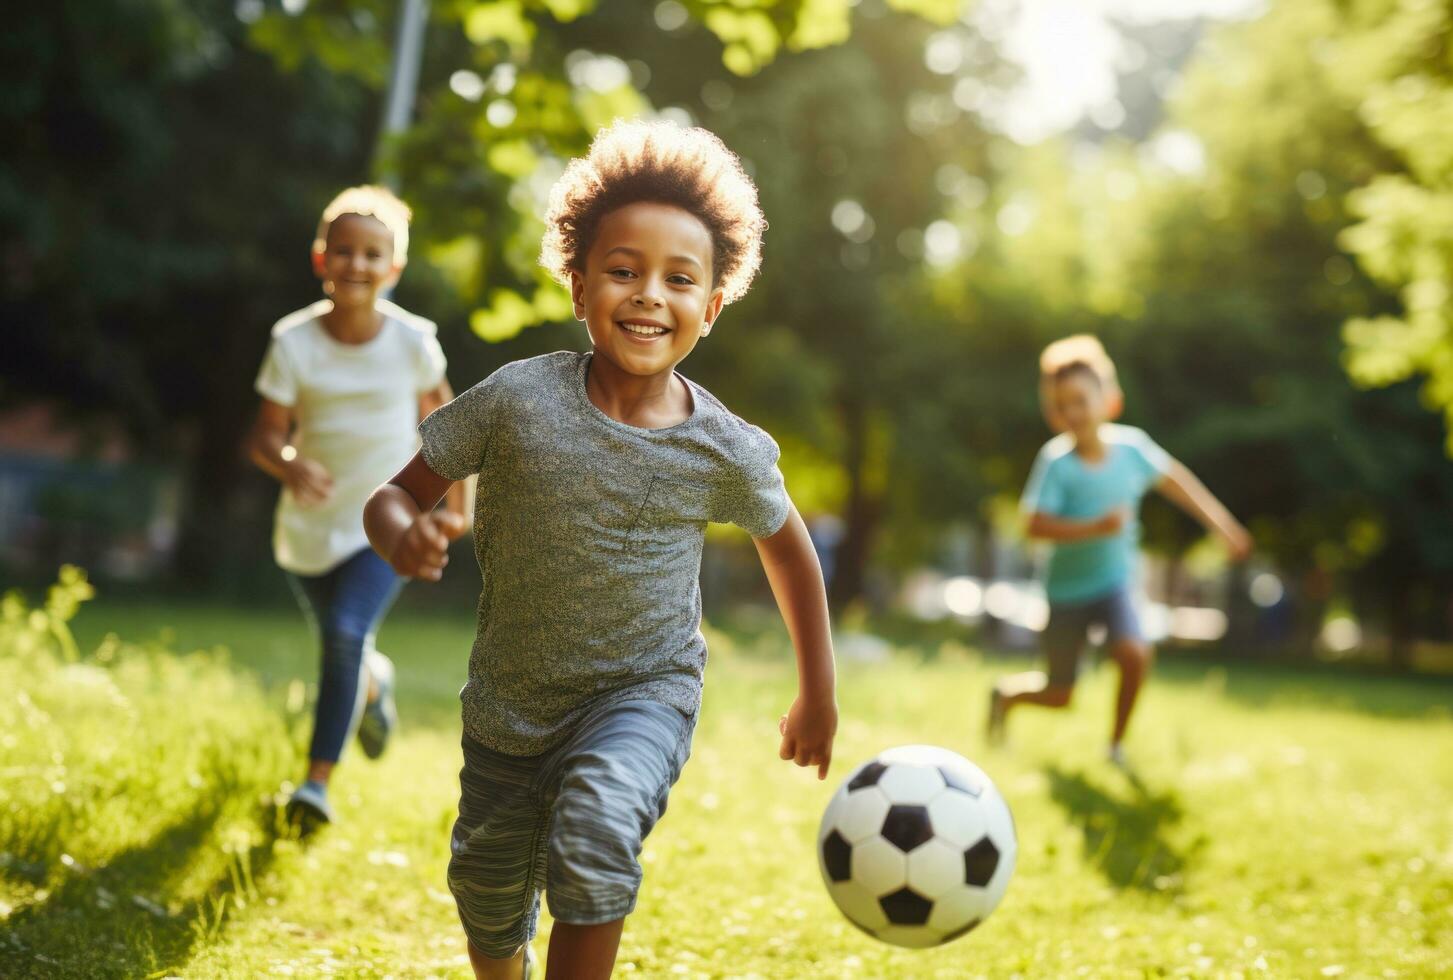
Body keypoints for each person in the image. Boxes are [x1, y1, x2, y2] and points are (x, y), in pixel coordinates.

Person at [363, 119, 838, 980]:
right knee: (487, 893)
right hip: (510, 704)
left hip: (642, 692)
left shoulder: (722, 446)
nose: (649, 294)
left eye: (677, 279)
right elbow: (396, 494)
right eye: (623, 271)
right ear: (579, 286)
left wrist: (818, 694)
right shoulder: (515, 401)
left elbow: (790, 552)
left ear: (712, 306)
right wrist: (402, 539)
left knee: (595, 828)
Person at [247, 185, 469, 829]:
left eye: (374, 254)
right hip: (310, 528)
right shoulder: (292, 342)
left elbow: (454, 427)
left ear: (393, 268)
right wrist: (289, 464)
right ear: (322, 260)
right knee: (344, 640)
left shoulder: (414, 344)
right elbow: (264, 437)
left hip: (389, 521)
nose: (358, 264)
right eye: (344, 251)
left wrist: (458, 506)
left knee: (344, 634)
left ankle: (316, 784)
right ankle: (373, 681)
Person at [988, 351, 1252, 767]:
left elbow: (1178, 483)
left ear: (1110, 400)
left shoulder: (1133, 449)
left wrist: (1223, 525)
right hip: (1065, 590)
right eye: (1062, 405)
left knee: (1135, 652)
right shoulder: (1057, 462)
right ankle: (1004, 696)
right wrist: (1094, 527)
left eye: (1080, 400)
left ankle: (1114, 746)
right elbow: (1034, 525)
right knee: (1060, 694)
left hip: (1115, 582)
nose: (1072, 411)